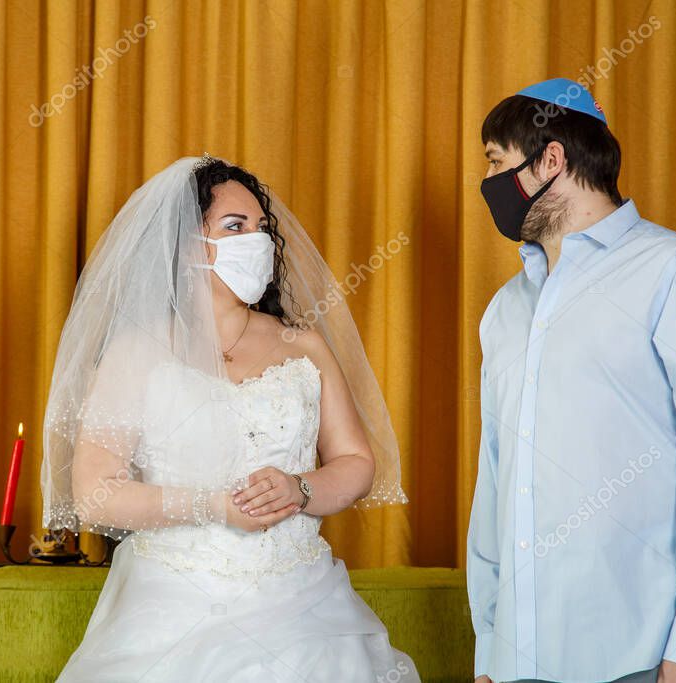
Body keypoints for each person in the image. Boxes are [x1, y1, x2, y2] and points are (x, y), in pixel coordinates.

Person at [41, 155, 419, 682]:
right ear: (184, 245)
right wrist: (213, 505)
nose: (257, 242)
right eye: (235, 227)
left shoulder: (302, 345)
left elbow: (357, 462)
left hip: (304, 604)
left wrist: (301, 489)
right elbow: (95, 492)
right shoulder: (136, 352)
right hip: (171, 603)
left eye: (261, 228)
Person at [467, 78, 676, 683]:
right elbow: (496, 478)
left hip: (647, 658)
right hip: (520, 661)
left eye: (496, 162)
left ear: (551, 158)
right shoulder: (505, 309)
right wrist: (491, 643)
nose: (487, 185)